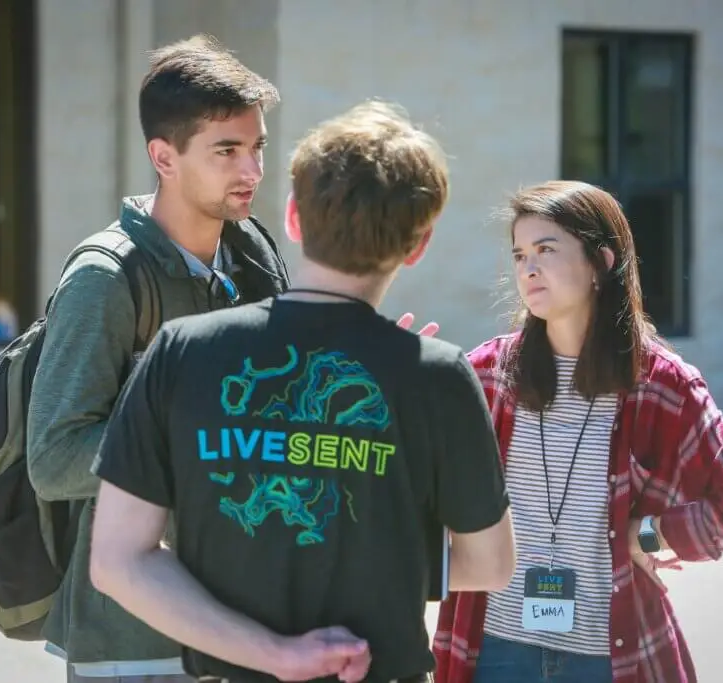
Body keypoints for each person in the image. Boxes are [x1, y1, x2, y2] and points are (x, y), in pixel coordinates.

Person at [88, 100, 518, 683]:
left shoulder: (181, 352)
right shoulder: (438, 377)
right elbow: (489, 565)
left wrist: (275, 654)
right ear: (418, 246)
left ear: (292, 217)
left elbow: (117, 561)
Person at [432, 180, 723, 683]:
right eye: (520, 254)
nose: (528, 267)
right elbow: (412, 486)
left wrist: (653, 532)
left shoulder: (661, 384)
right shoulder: (487, 374)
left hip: (608, 656)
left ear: (602, 262)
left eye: (546, 250)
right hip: (494, 647)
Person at [26, 35, 290, 682]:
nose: (252, 170)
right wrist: (199, 448)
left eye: (257, 147)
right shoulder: (107, 277)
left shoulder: (252, 253)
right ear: (163, 156)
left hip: (246, 626)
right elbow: (53, 458)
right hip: (133, 642)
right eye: (226, 151)